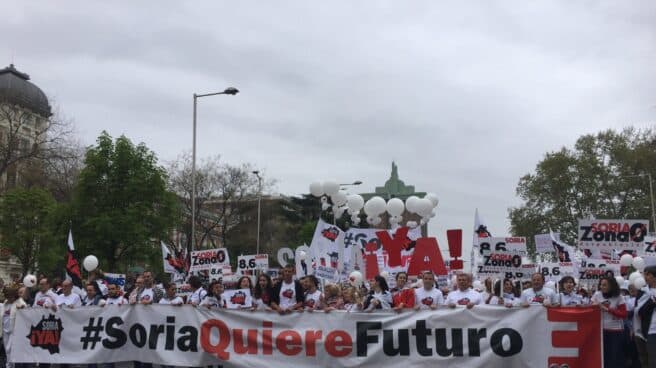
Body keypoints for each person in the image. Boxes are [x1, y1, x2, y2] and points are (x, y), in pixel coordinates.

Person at [591, 275, 627, 368]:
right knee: (603, 355)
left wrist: (607, 309)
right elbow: (590, 309)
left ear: (612, 286)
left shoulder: (619, 297)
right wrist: (592, 306)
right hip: (601, 330)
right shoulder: (597, 294)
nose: (602, 287)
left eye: (604, 285)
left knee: (614, 356)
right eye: (601, 285)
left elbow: (623, 314)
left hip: (615, 331)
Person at [641, 265, 656, 367]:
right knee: (652, 361)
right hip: (651, 331)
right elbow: (639, 311)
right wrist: (651, 303)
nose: (645, 277)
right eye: (644, 274)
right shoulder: (643, 291)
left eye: (648, 275)